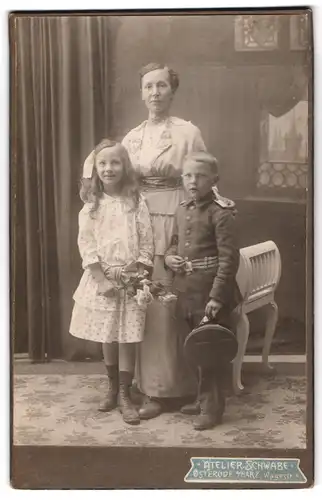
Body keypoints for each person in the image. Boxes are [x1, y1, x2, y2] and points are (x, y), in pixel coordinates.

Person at [119, 62, 208, 419]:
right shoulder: (132, 137)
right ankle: (152, 390)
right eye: (148, 86)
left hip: (178, 215)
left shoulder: (187, 133)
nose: (155, 93)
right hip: (140, 219)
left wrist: (202, 226)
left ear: (173, 91)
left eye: (161, 86)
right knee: (150, 305)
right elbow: (118, 181)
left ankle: (189, 388)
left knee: (175, 302)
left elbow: (203, 178)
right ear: (141, 93)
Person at [70, 139, 154, 425]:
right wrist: (101, 277)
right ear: (95, 168)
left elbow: (146, 240)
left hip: (130, 278)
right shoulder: (92, 206)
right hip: (104, 279)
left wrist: (139, 270)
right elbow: (87, 244)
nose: (109, 168)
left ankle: (124, 392)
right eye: (103, 163)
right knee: (109, 334)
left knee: (127, 336)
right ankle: (110, 386)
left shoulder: (136, 201)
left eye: (115, 162)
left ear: (125, 166)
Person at [164, 151, 241, 430]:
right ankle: (201, 399)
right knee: (194, 349)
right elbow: (174, 243)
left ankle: (213, 409)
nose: (192, 181)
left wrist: (217, 297)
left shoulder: (221, 212)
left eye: (200, 176)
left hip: (209, 292)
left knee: (210, 350)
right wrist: (169, 257)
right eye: (187, 175)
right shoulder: (182, 209)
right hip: (186, 290)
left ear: (214, 180)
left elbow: (229, 260)